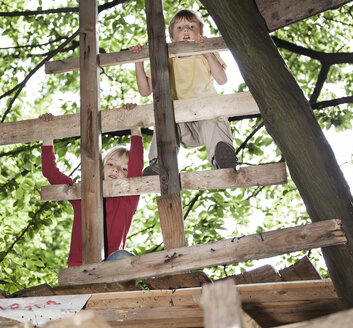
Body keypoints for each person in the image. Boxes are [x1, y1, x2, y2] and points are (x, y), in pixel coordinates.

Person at [130, 9, 237, 176]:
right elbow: (145, 91)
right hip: (180, 123)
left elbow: (222, 80)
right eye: (180, 28)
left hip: (206, 119)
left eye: (192, 26)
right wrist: (138, 63)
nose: (186, 30)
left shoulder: (205, 54)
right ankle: (159, 162)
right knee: (164, 119)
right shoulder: (165, 60)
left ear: (200, 34)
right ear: (172, 39)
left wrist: (207, 51)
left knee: (215, 120)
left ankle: (222, 158)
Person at [40, 107, 143, 267]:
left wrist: (134, 126)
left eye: (124, 169)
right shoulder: (83, 195)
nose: (116, 169)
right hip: (79, 266)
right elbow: (50, 172)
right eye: (111, 164)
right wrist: (48, 133)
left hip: (110, 266)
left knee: (123, 256)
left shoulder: (128, 199)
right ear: (101, 169)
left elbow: (136, 168)